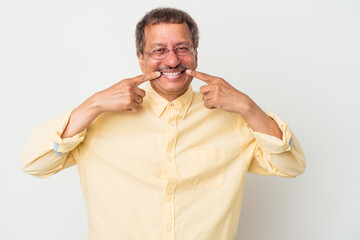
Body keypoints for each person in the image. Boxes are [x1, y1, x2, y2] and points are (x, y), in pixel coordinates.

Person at [21, 7, 306, 240]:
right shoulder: (98, 119)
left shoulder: (234, 119)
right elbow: (35, 163)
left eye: (182, 48)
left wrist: (247, 106)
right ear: (141, 60)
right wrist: (93, 104)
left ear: (195, 55)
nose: (172, 60)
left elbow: (291, 166)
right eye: (159, 50)